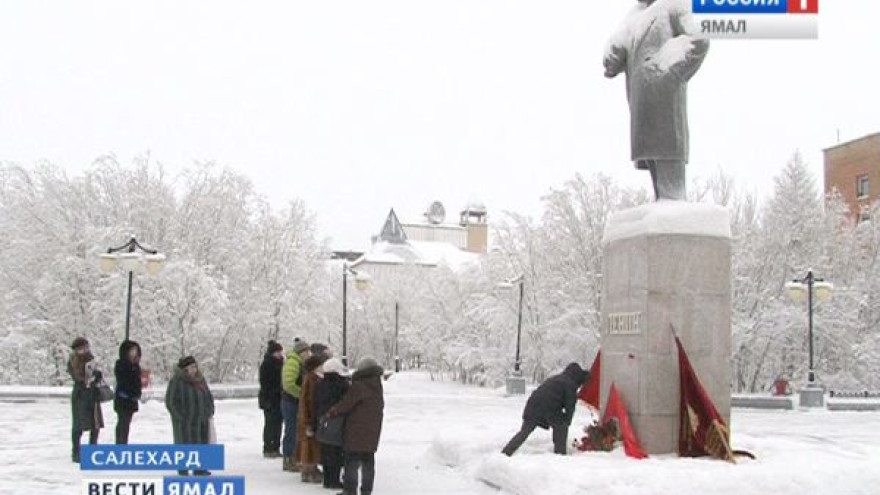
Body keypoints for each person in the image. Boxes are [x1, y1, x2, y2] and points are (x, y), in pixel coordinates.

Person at [603, 0, 710, 200]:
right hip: (641, 102)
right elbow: (617, 54)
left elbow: (699, 38)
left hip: (666, 96)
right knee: (652, 159)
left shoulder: (675, 4)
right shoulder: (634, 15)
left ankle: (673, 211)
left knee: (669, 160)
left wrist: (670, 67)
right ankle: (663, 205)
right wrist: (613, 52)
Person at [501, 362, 590, 456]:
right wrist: (567, 420)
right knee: (561, 426)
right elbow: (570, 406)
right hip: (550, 406)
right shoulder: (570, 384)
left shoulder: (557, 378)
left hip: (533, 404)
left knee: (524, 432)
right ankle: (560, 455)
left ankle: (506, 452)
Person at [328, 357, 384, 495]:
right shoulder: (377, 385)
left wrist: (331, 412)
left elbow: (346, 404)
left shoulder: (359, 386)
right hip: (372, 429)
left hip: (356, 429)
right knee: (368, 461)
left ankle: (350, 490)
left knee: (351, 461)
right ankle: (366, 490)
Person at [165, 355, 215, 476]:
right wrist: (179, 416)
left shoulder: (200, 380)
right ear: (185, 369)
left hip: (201, 418)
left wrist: (209, 410)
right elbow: (171, 401)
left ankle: (200, 468)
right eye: (191, 367)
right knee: (185, 443)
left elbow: (208, 396)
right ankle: (183, 469)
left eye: (195, 367)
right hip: (185, 421)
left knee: (201, 442)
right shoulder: (177, 381)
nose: (194, 370)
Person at [313, 357, 349, 490]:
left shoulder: (320, 384)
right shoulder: (342, 384)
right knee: (336, 452)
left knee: (326, 450)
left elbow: (315, 403)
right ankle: (334, 480)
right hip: (337, 422)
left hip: (323, 421)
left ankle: (327, 479)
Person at [68, 337, 104, 463]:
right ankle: (76, 452)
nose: (85, 350)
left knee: (95, 424)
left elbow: (94, 374)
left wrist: (97, 376)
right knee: (78, 425)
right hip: (80, 396)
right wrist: (88, 378)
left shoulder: (90, 358)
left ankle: (92, 450)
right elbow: (77, 376)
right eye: (82, 348)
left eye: (86, 347)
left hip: (92, 395)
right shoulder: (74, 360)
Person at [296, 354, 328, 483]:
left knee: (309, 444)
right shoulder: (312, 380)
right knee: (310, 444)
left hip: (308, 417)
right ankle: (309, 470)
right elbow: (308, 401)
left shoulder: (311, 379)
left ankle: (308, 469)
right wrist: (309, 420)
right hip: (309, 417)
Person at [280, 339, 311, 472]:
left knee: (295, 430)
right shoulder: (293, 363)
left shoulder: (298, 362)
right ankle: (289, 458)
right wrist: (301, 394)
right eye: (306, 351)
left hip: (293, 401)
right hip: (291, 402)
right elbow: (289, 384)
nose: (308, 354)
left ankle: (293, 457)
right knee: (291, 430)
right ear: (301, 352)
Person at [258, 340, 284, 458]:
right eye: (277, 352)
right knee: (270, 424)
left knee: (278, 424)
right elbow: (265, 383)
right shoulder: (267, 364)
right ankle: (268, 447)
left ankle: (276, 447)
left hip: (278, 398)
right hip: (269, 399)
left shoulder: (281, 363)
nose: (280, 354)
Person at [113, 340, 143, 444]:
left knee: (126, 423)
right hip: (123, 399)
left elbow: (137, 382)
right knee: (123, 423)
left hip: (131, 399)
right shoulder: (122, 364)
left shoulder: (136, 365)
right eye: (132, 350)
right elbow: (123, 381)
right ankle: (120, 444)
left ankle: (122, 442)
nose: (134, 353)